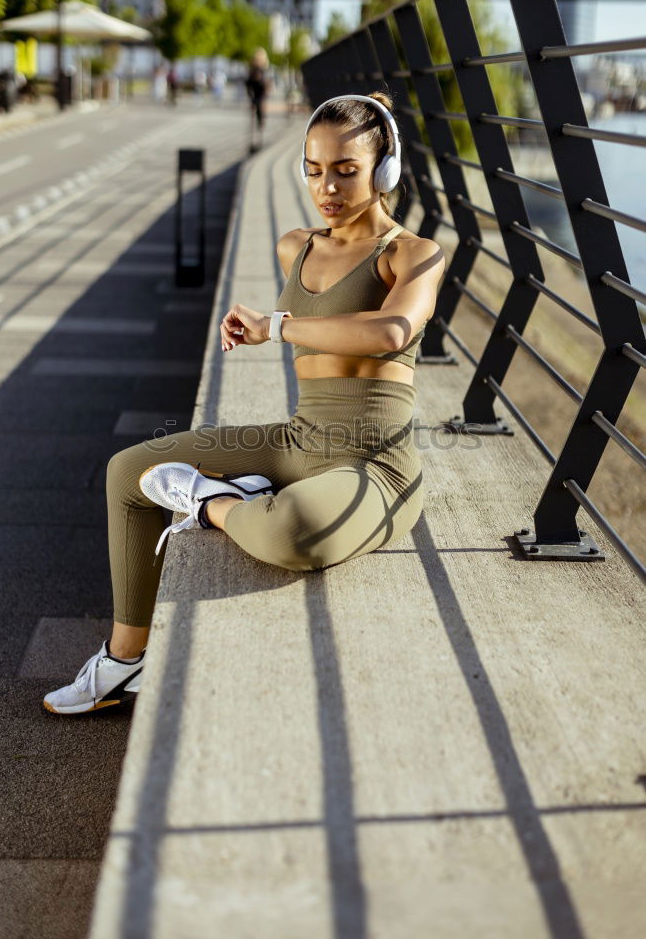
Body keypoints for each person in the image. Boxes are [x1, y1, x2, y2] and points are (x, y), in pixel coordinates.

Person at [43, 90, 445, 715]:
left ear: (385, 168)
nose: (327, 188)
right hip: (298, 441)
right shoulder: (295, 246)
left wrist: (276, 326)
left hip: (378, 466)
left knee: (291, 532)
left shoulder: (413, 253)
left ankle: (215, 506)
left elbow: (392, 332)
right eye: (314, 170)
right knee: (128, 471)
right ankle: (124, 662)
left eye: (346, 170)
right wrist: (269, 325)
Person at [245, 47, 270, 150]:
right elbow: (248, 84)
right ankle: (255, 141)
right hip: (255, 97)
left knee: (259, 119)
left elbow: (265, 86)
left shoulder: (262, 71)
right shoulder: (254, 71)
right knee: (255, 120)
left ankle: (259, 140)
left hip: (259, 98)